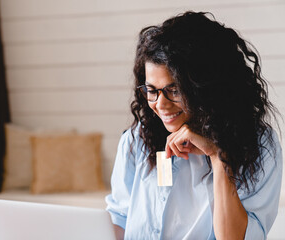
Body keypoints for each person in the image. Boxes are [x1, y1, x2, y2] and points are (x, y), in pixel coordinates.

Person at [105, 11, 283, 240]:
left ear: (206, 87)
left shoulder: (258, 145)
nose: (160, 105)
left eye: (174, 90)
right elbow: (119, 219)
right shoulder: (138, 138)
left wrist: (219, 158)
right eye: (152, 90)